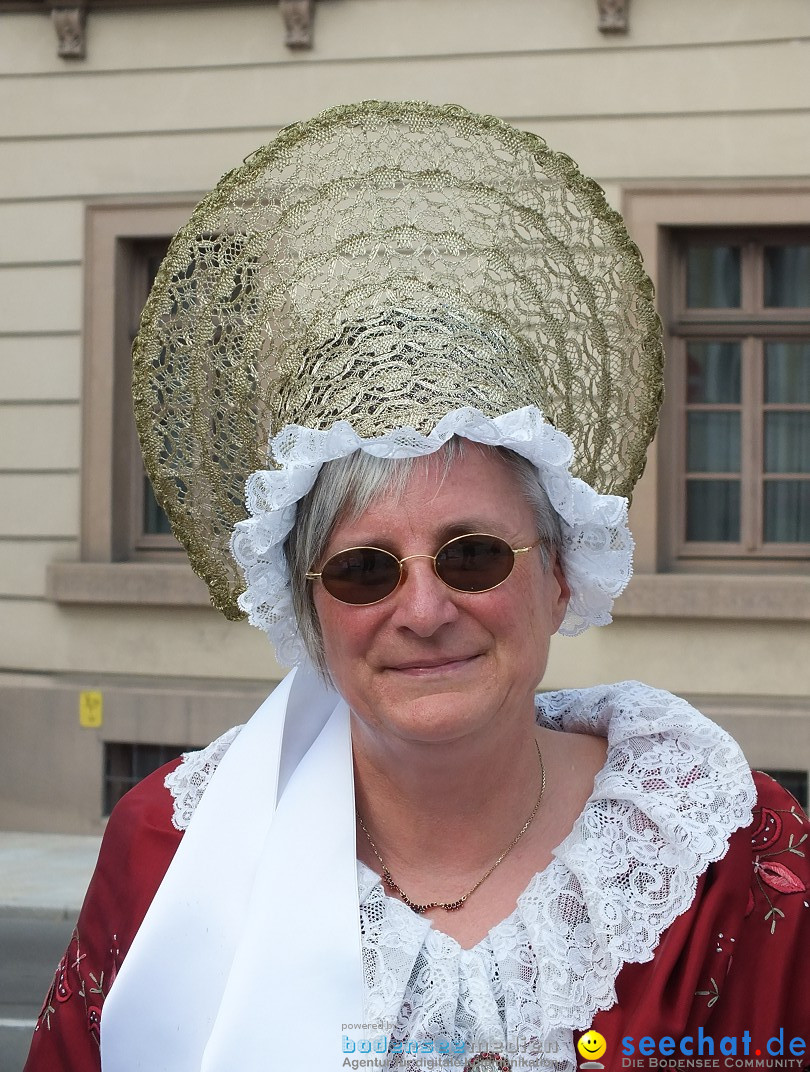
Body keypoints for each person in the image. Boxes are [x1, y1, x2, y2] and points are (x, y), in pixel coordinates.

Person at [25, 101, 809, 1072]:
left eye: (472, 553)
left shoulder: (722, 853)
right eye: (363, 570)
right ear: (309, 610)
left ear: (560, 577)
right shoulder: (168, 848)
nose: (426, 609)